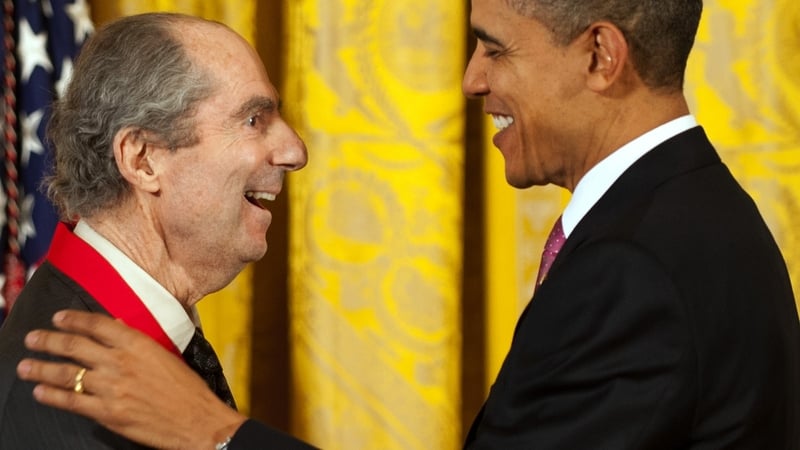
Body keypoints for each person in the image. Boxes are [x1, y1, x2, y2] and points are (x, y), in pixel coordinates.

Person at [14, 0, 800, 448]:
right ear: (142, 160)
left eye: (494, 48)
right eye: (256, 119)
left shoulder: (638, 265)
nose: (470, 80)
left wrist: (218, 435)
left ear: (600, 55)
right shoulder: (60, 373)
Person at [0, 12, 312, 450]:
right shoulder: (63, 394)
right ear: (143, 159)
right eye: (253, 120)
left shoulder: (106, 334)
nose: (295, 151)